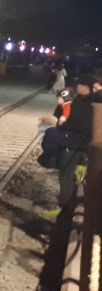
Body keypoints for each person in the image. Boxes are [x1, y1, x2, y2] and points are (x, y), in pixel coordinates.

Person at [41, 76, 95, 219]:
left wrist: (58, 123)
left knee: (65, 175)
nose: (78, 86)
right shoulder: (90, 103)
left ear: (86, 87)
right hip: (83, 146)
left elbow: (74, 124)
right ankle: (67, 207)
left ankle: (63, 210)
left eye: (80, 84)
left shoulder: (78, 104)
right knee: (70, 175)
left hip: (71, 144)